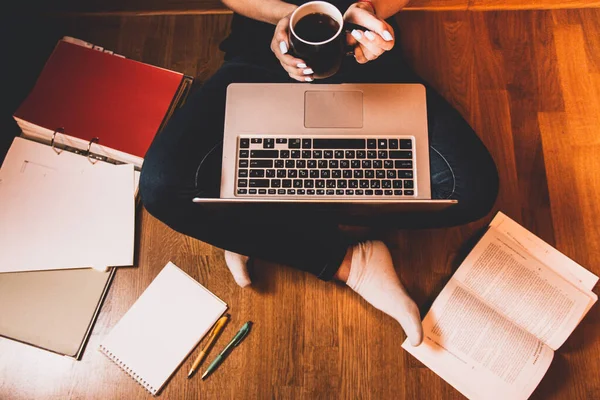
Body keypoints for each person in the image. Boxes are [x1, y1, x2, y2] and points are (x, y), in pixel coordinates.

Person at [139, 0, 499, 347]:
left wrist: (371, 9)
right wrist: (286, 18)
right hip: (262, 51)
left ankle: (246, 225)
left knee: (473, 188)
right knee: (160, 187)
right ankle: (348, 262)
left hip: (362, 53)